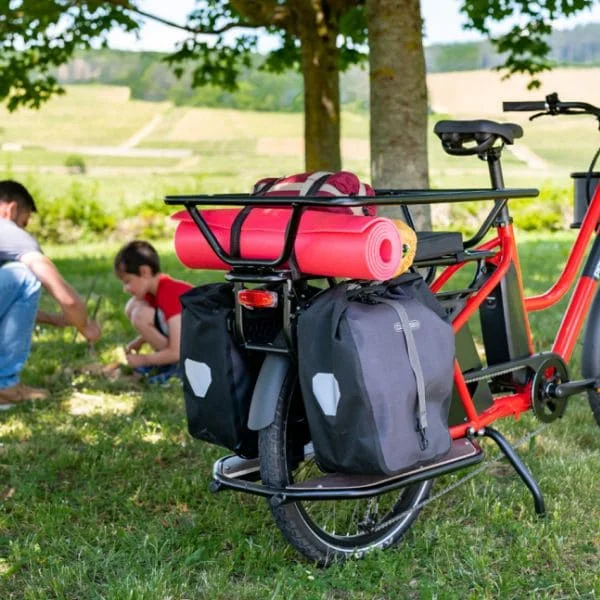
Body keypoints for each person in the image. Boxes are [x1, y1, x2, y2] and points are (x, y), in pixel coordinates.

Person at [0, 180, 101, 406]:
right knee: (24, 274)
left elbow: (7, 302)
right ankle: (4, 387)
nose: (23, 229)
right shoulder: (8, 231)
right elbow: (59, 290)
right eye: (23, 223)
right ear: (11, 209)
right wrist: (85, 326)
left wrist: (57, 320)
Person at [114, 240, 193, 384]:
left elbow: (178, 351)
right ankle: (166, 360)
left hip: (196, 353)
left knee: (140, 315)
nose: (125, 288)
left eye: (127, 281)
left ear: (145, 271)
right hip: (185, 345)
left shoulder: (169, 293)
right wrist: (140, 340)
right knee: (133, 306)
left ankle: (172, 364)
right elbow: (169, 326)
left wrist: (144, 359)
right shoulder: (154, 292)